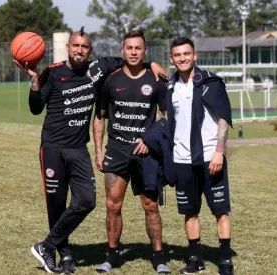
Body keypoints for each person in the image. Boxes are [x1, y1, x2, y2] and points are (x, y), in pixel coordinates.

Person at [14, 28, 168, 274]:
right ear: (68, 47)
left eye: (84, 47)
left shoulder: (97, 69)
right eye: (75, 46)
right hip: (53, 148)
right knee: (56, 205)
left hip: (78, 148)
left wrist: (152, 65)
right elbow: (35, 108)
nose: (79, 50)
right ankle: (63, 255)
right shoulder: (52, 73)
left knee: (87, 201)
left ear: (90, 51)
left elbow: (129, 58)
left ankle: (46, 245)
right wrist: (33, 79)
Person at [93, 28, 171, 274]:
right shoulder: (110, 79)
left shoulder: (156, 80)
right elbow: (100, 117)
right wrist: (97, 151)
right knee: (112, 205)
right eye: (130, 48)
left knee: (150, 206)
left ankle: (158, 257)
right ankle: (113, 255)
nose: (134, 52)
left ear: (145, 51)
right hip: (116, 151)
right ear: (122, 50)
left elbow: (168, 118)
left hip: (145, 153)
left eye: (138, 48)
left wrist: (151, 140)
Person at [166, 37, 234, 275]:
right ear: (171, 59)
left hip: (209, 157)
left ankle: (225, 259)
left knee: (220, 210)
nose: (182, 58)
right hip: (182, 159)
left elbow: (223, 117)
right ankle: (195, 258)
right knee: (189, 211)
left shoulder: (210, 82)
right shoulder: (170, 85)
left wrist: (219, 152)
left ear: (195, 56)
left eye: (186, 54)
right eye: (177, 55)